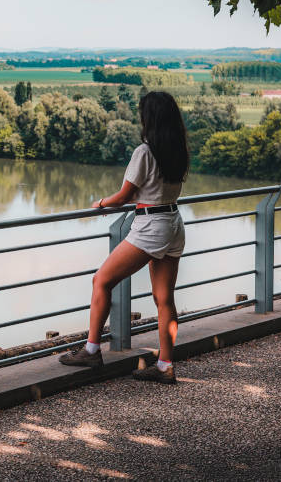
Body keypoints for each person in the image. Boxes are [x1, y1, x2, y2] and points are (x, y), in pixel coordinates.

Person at [58, 91, 189, 384]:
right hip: (173, 224)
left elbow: (125, 196)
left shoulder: (144, 152)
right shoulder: (177, 150)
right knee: (164, 298)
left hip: (150, 226)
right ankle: (165, 366)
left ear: (149, 118)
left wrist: (101, 203)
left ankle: (91, 350)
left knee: (102, 280)